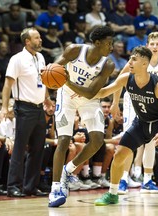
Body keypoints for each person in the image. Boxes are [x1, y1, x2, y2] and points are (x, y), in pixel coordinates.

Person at [93, 46, 158, 206]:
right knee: (120, 153)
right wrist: (82, 92)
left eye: (134, 59)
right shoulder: (126, 78)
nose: (129, 62)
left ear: (144, 64)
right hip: (142, 122)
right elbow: (103, 92)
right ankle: (112, 193)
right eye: (130, 58)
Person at [48, 26, 115, 207]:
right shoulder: (75, 50)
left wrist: (67, 80)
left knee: (97, 140)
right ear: (97, 43)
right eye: (109, 43)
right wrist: (52, 74)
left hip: (88, 98)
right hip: (66, 97)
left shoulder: (108, 64)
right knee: (63, 140)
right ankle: (55, 189)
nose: (112, 47)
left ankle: (68, 171)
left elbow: (92, 91)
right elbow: (54, 67)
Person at [112, 32, 158, 194]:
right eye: (152, 44)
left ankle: (147, 180)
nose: (155, 47)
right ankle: (123, 179)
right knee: (128, 139)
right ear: (147, 45)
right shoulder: (140, 59)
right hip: (133, 100)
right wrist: (115, 103)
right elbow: (121, 78)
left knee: (151, 141)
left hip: (153, 103)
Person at [0, 27, 52, 197]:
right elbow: (8, 85)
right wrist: (4, 107)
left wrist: (47, 98)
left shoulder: (41, 57)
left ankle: (30, 186)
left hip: (39, 109)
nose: (40, 40)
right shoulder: (17, 59)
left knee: (38, 149)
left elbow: (42, 80)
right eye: (37, 38)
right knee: (20, 148)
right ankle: (13, 186)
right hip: (23, 108)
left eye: (40, 37)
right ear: (27, 41)